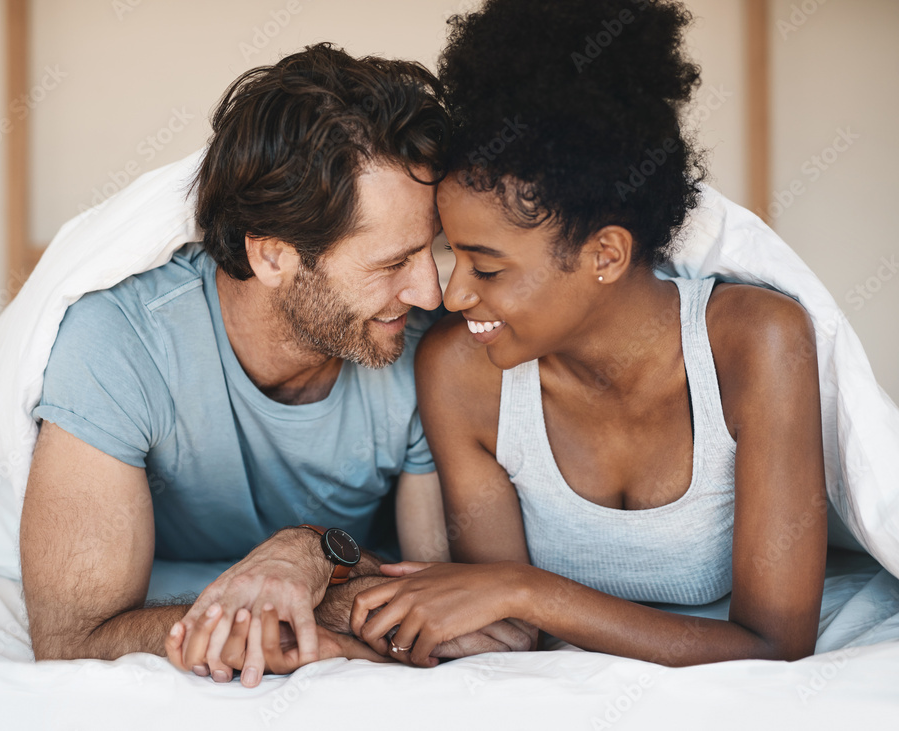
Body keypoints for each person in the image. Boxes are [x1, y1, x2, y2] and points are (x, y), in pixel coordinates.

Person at [20, 43, 532, 688]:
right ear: (271, 258)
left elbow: (449, 612)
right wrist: (332, 603)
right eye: (390, 263)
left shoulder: (420, 348)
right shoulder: (122, 345)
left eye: (430, 252)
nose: (432, 294)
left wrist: (311, 551)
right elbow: (72, 642)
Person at [351, 0, 828, 668]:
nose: (453, 295)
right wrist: (513, 597)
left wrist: (525, 587)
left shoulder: (756, 344)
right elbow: (508, 633)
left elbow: (776, 643)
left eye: (486, 266)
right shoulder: (461, 373)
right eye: (451, 256)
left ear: (605, 254)